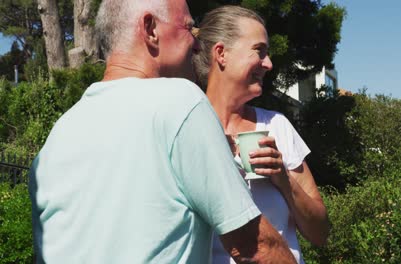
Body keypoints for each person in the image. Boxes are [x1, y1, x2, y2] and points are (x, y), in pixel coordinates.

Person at [28, 0, 297, 263]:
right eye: (189, 28)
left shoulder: (58, 135)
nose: (196, 43)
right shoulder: (180, 100)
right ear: (150, 29)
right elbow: (256, 246)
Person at [193, 5, 331, 264]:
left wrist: (284, 179)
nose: (268, 64)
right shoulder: (186, 129)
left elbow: (321, 233)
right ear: (221, 54)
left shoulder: (277, 126)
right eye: (260, 51)